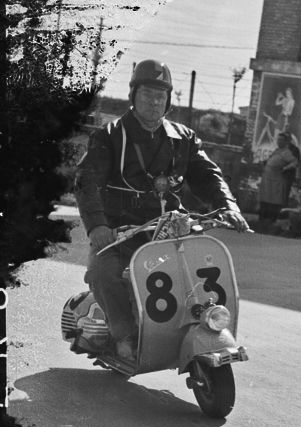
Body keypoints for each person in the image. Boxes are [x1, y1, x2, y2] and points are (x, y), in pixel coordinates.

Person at [74, 59, 248, 361]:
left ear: (168, 101)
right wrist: (98, 227)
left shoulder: (184, 138)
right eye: (147, 94)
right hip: (120, 228)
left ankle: (197, 324)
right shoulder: (110, 136)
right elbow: (87, 182)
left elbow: (208, 174)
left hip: (169, 225)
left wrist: (228, 206)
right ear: (133, 95)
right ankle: (123, 334)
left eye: (160, 96)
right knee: (102, 271)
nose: (154, 102)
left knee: (199, 268)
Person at [257, 132, 299, 230]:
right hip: (268, 178)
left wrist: (286, 168)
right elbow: (271, 160)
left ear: (286, 142)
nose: (279, 142)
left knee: (274, 199)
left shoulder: (286, 152)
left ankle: (271, 220)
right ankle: (262, 220)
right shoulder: (277, 150)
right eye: (278, 140)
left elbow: (295, 162)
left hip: (276, 179)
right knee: (265, 198)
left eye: (281, 140)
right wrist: (265, 162)